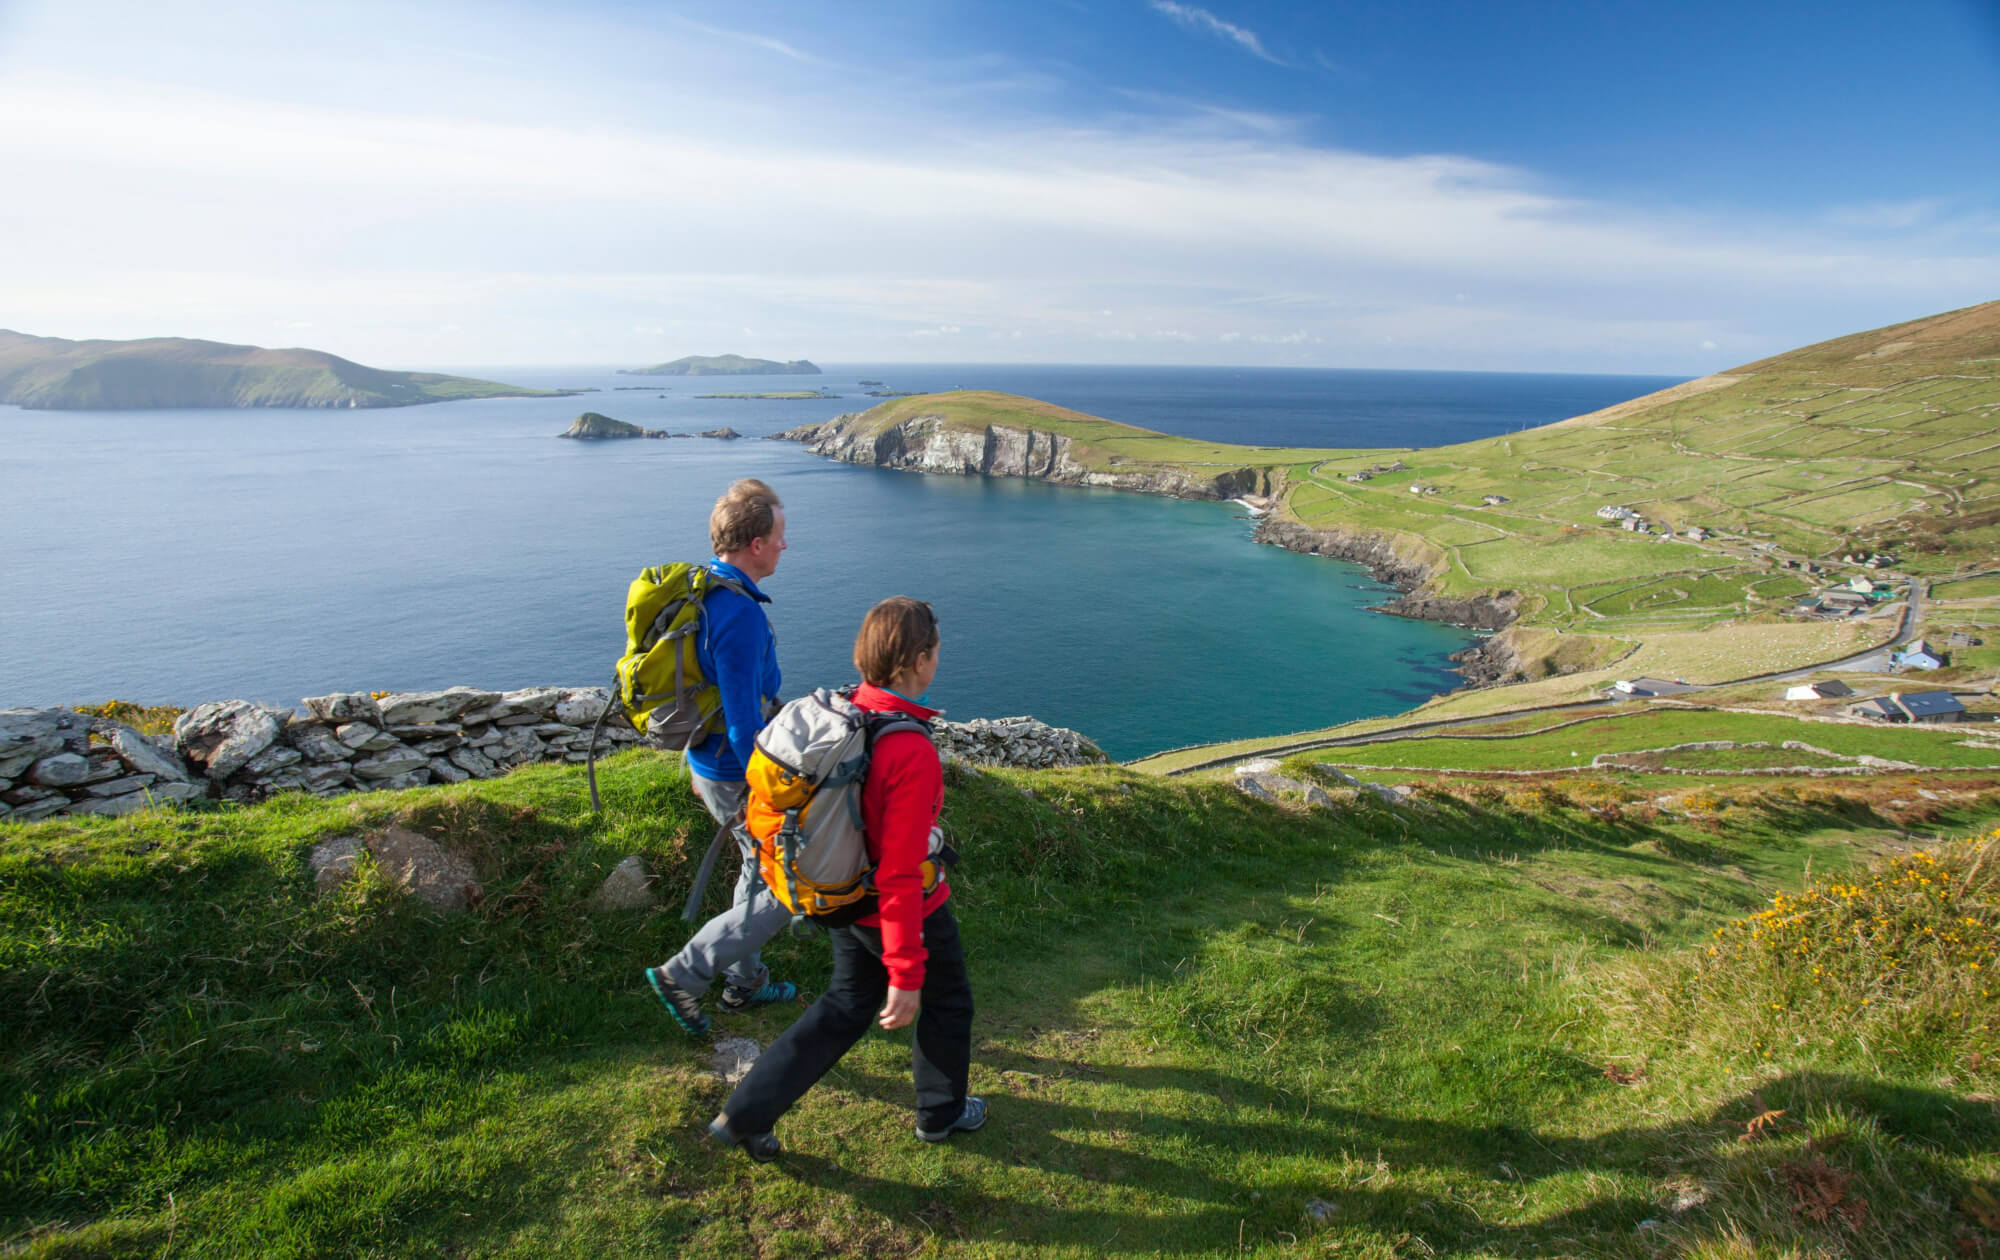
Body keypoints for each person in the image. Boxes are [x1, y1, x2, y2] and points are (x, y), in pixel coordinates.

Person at [707, 596, 983, 1161]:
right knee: (948, 1000)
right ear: (918, 660)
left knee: (848, 1001)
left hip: (836, 890)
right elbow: (902, 870)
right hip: (892, 905)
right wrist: (906, 972)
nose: (937, 661)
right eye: (934, 652)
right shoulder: (907, 747)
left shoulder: (844, 711)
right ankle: (942, 1113)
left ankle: (745, 1113)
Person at [643, 479, 797, 1037]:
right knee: (785, 885)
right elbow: (740, 721)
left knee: (756, 871)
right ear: (755, 542)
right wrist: (768, 787)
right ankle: (687, 973)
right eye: (780, 536)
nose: (785, 546)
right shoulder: (739, 616)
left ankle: (746, 983)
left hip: (710, 766)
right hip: (737, 772)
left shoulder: (707, 591)